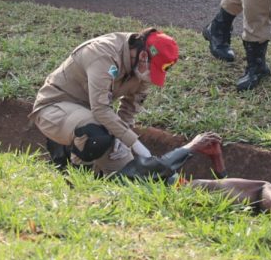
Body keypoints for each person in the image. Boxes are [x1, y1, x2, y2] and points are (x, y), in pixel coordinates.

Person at [30, 28, 179, 175]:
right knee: (95, 135)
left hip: (93, 116)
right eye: (152, 70)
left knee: (128, 172)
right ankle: (77, 177)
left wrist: (123, 133)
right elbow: (100, 108)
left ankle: (95, 171)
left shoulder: (142, 71)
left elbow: (131, 107)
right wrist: (133, 142)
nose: (151, 77)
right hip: (55, 108)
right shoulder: (103, 54)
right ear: (143, 56)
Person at [110, 132, 271, 220]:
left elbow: (226, 193)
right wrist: (191, 146)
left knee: (251, 201)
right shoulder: (118, 172)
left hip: (186, 192)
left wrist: (217, 160)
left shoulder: (117, 168)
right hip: (183, 190)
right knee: (262, 188)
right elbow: (159, 167)